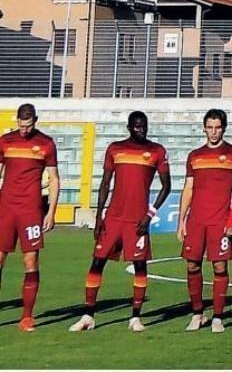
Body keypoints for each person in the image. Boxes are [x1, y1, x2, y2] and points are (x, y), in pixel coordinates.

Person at [69, 111, 171, 333]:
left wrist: (149, 215)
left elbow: (166, 186)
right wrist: (99, 217)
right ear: (129, 127)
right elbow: (105, 183)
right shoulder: (115, 149)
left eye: (144, 125)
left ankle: (135, 317)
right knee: (97, 263)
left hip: (137, 221)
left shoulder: (156, 151)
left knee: (140, 266)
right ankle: (88, 315)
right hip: (113, 218)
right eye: (136, 126)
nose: (141, 129)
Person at [177, 108, 232, 333]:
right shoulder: (195, 156)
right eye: (210, 127)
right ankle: (198, 314)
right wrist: (181, 220)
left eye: (217, 127)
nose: (214, 132)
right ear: (204, 128)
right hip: (196, 220)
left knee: (219, 265)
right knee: (191, 264)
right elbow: (188, 189)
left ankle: (217, 316)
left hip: (220, 221)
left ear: (223, 128)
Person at [0, 103, 59, 332]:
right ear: (17, 121)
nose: (24, 130)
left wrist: (51, 211)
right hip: (5, 208)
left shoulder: (46, 144)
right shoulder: (6, 141)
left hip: (31, 210)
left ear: (35, 120)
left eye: (29, 125)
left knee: (30, 261)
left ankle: (27, 316)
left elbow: (54, 179)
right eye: (21, 125)